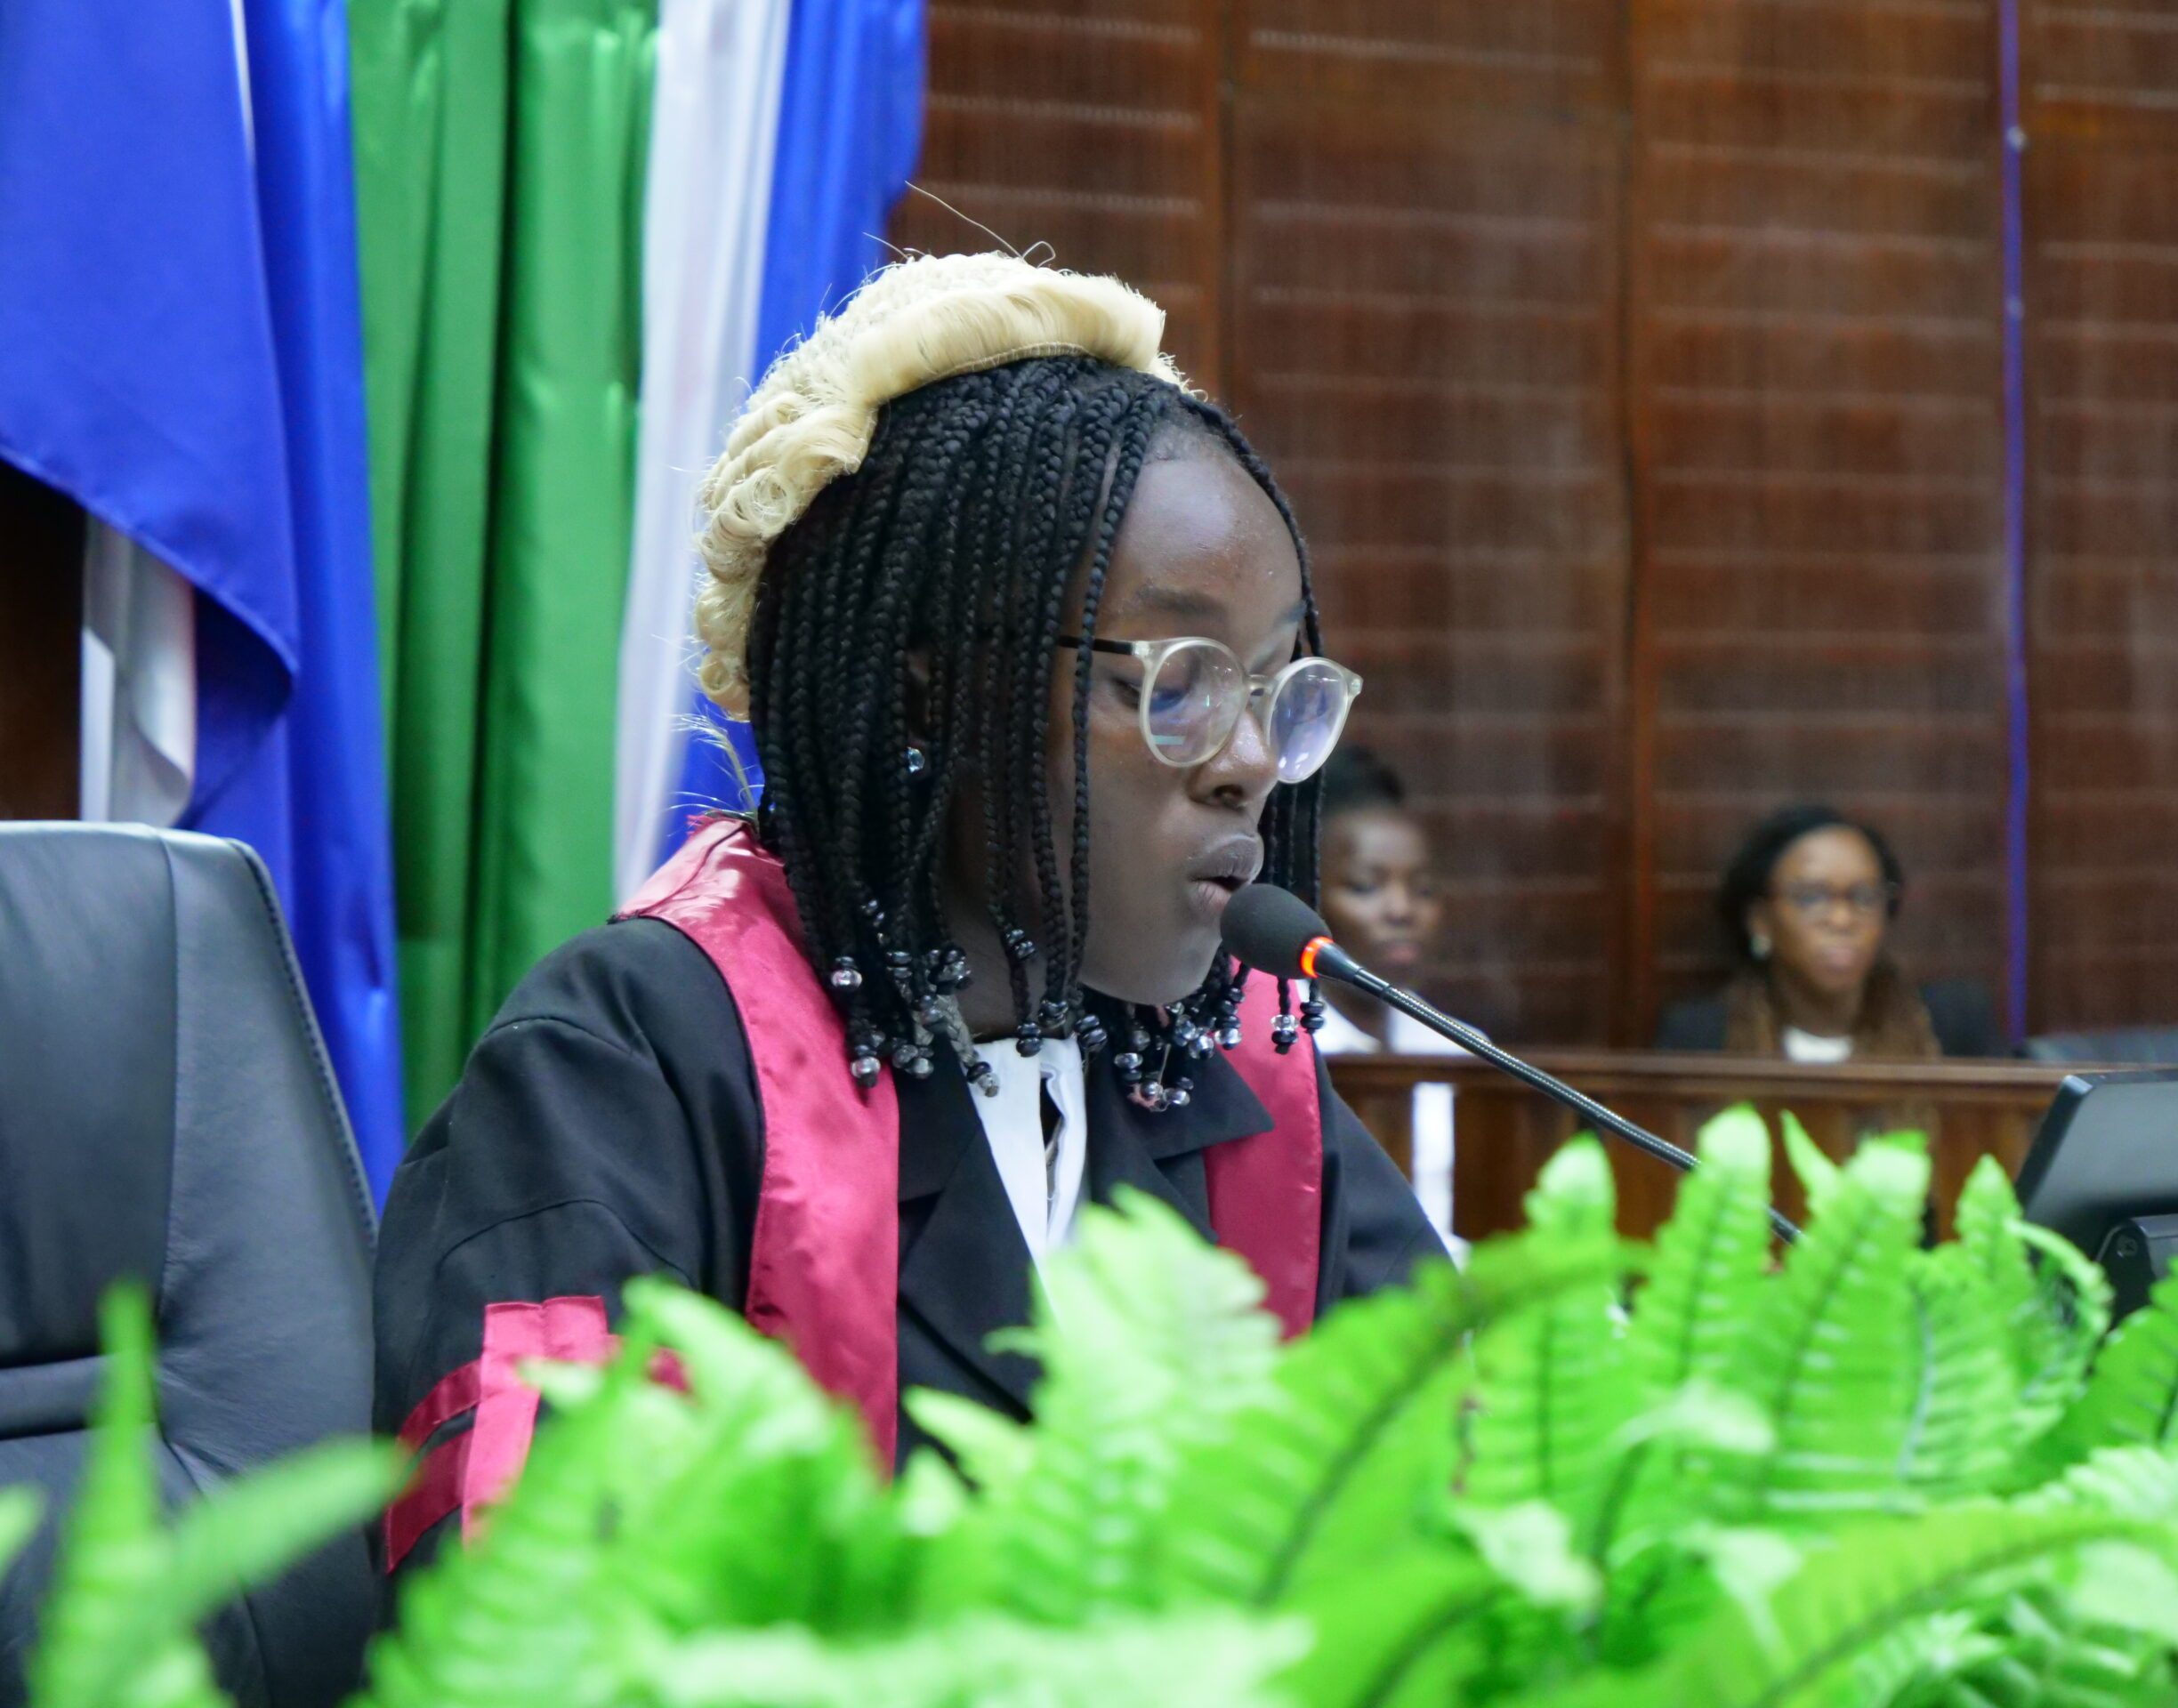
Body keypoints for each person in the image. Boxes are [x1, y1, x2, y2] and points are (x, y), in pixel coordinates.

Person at [371, 254, 1445, 1577]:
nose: (1250, 761)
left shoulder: (1241, 1075)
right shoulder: (634, 1057)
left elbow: (1463, 1509)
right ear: (928, 692)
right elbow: (527, 1609)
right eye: (1181, 680)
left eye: (1282, 689)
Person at [1654, 802, 2004, 1060]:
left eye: (1864, 897)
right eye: (1811, 898)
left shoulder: (1951, 1025)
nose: (1841, 919)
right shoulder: (1700, 1036)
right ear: (1759, 920)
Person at [1307, 748, 1466, 1252]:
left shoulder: (1461, 1050)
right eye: (1365, 886)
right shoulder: (1277, 1045)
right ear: (1308, 895)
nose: (1401, 910)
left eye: (1423, 889)